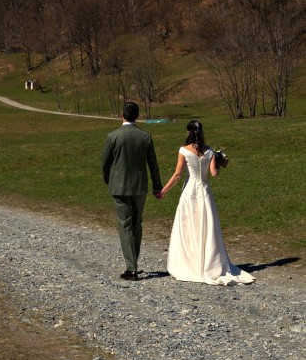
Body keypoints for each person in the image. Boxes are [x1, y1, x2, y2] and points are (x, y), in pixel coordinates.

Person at [161, 120, 255, 286]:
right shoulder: (210, 150)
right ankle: (209, 262)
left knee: (189, 226)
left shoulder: (184, 150)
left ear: (188, 132)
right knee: (207, 226)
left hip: (190, 192)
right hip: (204, 192)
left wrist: (163, 191)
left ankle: (190, 263)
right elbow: (213, 173)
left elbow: (177, 174)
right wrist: (221, 163)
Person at [102, 101, 163, 281]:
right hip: (139, 187)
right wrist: (157, 186)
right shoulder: (145, 137)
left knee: (125, 225)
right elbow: (153, 164)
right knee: (137, 224)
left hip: (119, 187)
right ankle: (133, 263)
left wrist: (108, 180)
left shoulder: (113, 136)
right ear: (137, 116)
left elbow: (105, 163)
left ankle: (131, 268)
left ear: (122, 114)